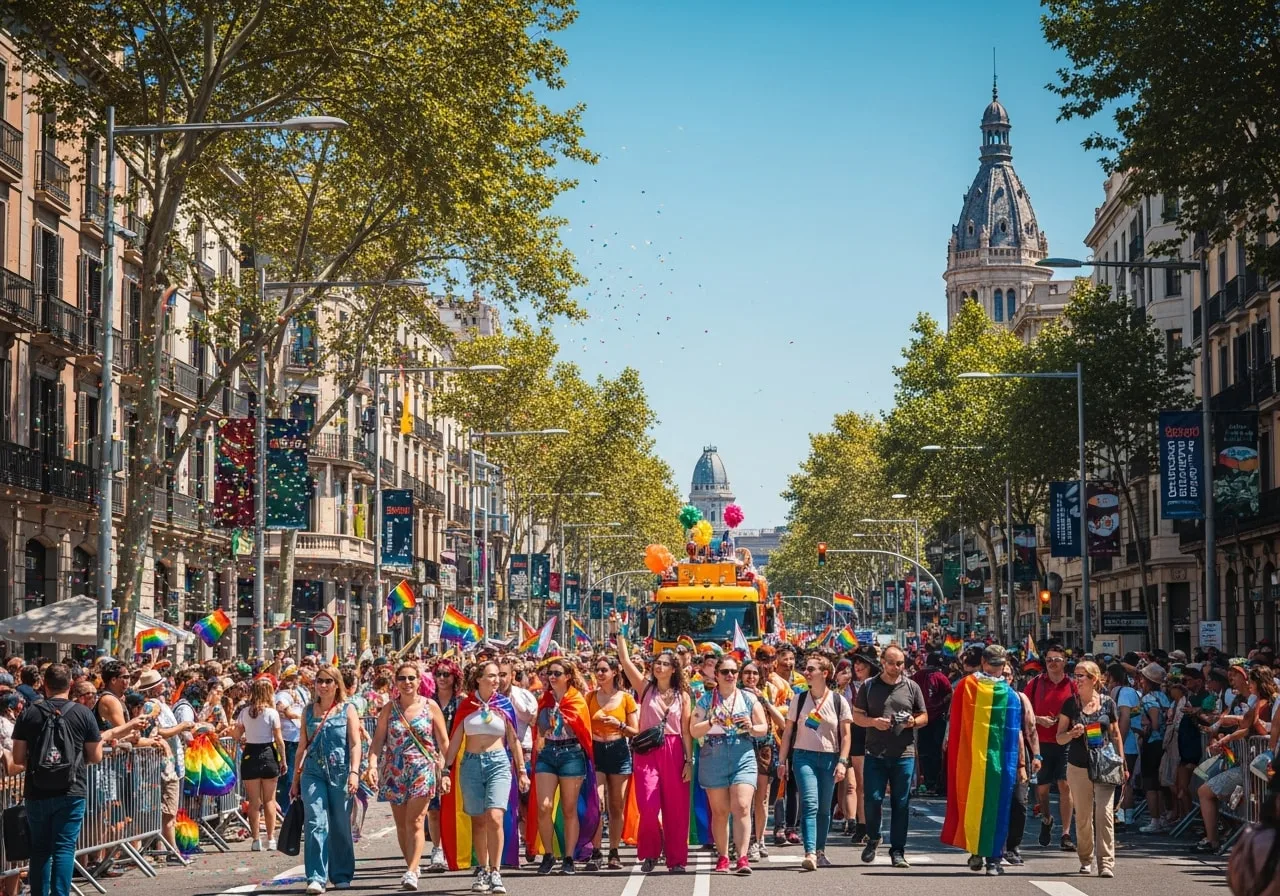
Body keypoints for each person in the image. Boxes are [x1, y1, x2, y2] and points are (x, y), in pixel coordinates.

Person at [12, 663, 103, 896]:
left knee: (40, 849)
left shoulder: (29, 712)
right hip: (72, 790)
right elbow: (95, 755)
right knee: (64, 848)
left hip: (37, 789)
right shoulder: (83, 713)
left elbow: (19, 757)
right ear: (71, 684)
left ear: (44, 684)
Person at [440, 661, 528, 894]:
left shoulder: (504, 704)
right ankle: (483, 868)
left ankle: (496, 871)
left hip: (498, 763)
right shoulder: (466, 705)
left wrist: (521, 771)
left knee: (495, 816)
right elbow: (456, 739)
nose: (496, 680)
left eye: (498, 675)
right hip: (470, 764)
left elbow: (514, 740)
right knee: (478, 820)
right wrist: (446, 770)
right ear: (478, 679)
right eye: (491, 675)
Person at [368, 662, 450, 890]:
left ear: (419, 681)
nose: (407, 683)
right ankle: (411, 866)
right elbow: (377, 743)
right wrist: (372, 766)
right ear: (396, 682)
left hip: (422, 769)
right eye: (402, 679)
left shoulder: (430, 706)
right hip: (395, 771)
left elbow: (444, 743)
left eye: (411, 678)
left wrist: (446, 771)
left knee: (415, 821)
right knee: (402, 824)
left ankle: (412, 871)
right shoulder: (389, 709)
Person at [943, 645, 1024, 876]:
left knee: (998, 807)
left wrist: (1019, 763)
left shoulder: (1009, 693)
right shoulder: (967, 686)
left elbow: (1013, 730)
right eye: (993, 664)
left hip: (1000, 761)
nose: (997, 669)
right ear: (984, 663)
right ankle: (977, 850)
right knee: (973, 804)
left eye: (1000, 665)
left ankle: (994, 858)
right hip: (972, 759)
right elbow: (957, 723)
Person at [618, 638, 692, 874]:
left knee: (676, 809)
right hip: (647, 752)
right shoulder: (645, 688)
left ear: (673, 669)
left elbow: (687, 731)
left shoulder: (684, 696)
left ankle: (676, 859)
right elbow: (625, 661)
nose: (658, 667)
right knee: (648, 808)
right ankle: (650, 852)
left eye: (664, 664)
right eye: (656, 663)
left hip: (675, 749)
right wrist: (619, 633)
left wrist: (689, 761)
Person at [690, 654, 768, 874]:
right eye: (725, 672)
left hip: (742, 754)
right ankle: (723, 856)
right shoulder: (706, 700)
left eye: (734, 672)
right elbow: (693, 730)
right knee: (720, 811)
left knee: (742, 806)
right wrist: (711, 721)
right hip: (713, 755)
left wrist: (751, 726)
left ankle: (742, 858)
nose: (731, 676)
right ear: (717, 675)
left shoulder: (748, 698)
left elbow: (763, 728)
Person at [852, 644, 927, 869]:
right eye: (893, 663)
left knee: (901, 803)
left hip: (904, 754)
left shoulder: (911, 686)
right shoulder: (869, 686)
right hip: (875, 753)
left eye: (901, 663)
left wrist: (913, 722)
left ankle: (898, 851)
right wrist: (874, 722)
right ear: (883, 662)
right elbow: (857, 716)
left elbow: (924, 716)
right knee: (873, 799)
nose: (897, 667)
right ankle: (874, 837)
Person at [290, 664, 363, 895]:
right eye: (319, 681)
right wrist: (294, 780)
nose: (322, 685)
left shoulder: (347, 709)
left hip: (340, 772)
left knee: (340, 823)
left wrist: (354, 771)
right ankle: (316, 877)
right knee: (315, 822)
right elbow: (302, 746)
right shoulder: (308, 711)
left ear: (337, 684)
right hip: (312, 772)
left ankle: (341, 874)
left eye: (328, 681)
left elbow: (354, 743)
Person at [776, 654, 850, 871]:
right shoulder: (798, 699)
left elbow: (846, 735)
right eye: (806, 669)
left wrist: (843, 762)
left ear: (825, 674)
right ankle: (809, 852)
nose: (806, 672)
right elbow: (788, 732)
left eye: (811, 669)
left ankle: (820, 850)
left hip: (829, 757)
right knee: (810, 803)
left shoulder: (838, 701)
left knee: (825, 808)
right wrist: (782, 761)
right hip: (803, 756)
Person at [1193, 666, 1275, 855]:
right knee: (1251, 805)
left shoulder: (1263, 703)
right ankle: (1228, 837)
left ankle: (1216, 840)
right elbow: (1246, 727)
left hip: (1256, 764)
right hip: (1252, 763)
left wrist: (1234, 722)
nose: (1249, 686)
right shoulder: (1256, 702)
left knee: (1206, 791)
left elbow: (1251, 727)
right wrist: (1226, 738)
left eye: (1251, 682)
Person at [528, 658, 598, 876]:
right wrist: (542, 717)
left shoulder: (576, 699)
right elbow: (540, 728)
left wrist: (561, 715)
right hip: (548, 753)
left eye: (557, 673)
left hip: (571, 754)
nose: (552, 677)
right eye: (550, 673)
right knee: (544, 807)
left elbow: (581, 728)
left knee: (569, 809)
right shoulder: (545, 699)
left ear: (568, 676)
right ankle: (548, 854)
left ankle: (569, 857)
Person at [1057, 659, 1126, 878]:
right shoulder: (1070, 704)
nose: (1075, 680)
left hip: (1104, 764)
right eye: (1075, 675)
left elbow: (1115, 734)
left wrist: (1122, 763)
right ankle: (1086, 859)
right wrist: (1071, 734)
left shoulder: (1107, 703)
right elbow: (1059, 738)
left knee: (1104, 813)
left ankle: (1106, 862)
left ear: (1094, 679)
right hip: (1078, 765)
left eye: (1080, 676)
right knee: (1084, 816)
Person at [585, 655, 637, 871]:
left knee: (616, 806)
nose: (599, 674)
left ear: (615, 672)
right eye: (597, 670)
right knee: (597, 804)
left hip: (619, 751)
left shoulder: (626, 698)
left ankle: (613, 852)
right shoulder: (589, 697)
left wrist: (619, 724)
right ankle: (596, 851)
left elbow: (636, 731)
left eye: (604, 670)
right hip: (596, 751)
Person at [1028, 642, 1077, 851]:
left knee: (1066, 785)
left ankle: (1066, 834)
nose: (1052, 664)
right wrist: (1038, 719)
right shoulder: (1035, 684)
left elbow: (1082, 709)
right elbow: (1025, 711)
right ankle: (1047, 819)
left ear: (1064, 662)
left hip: (1066, 742)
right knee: (1043, 789)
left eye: (1057, 660)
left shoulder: (1073, 685)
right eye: (1049, 660)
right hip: (1041, 744)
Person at [234, 677, 286, 851]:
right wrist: (283, 759)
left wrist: (241, 735)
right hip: (268, 754)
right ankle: (271, 839)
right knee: (270, 800)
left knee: (254, 802)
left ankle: (256, 839)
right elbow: (279, 740)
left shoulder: (244, 713)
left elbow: (236, 735)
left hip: (250, 754)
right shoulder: (272, 713)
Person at [740, 658, 784, 862]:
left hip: (764, 748)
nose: (751, 677)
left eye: (755, 673)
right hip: (742, 746)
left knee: (762, 798)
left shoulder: (769, 692)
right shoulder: (735, 694)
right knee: (742, 798)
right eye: (747, 673)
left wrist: (764, 701)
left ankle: (758, 840)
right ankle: (743, 840)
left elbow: (781, 722)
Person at [425, 658, 463, 872]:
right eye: (438, 674)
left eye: (446, 674)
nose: (441, 678)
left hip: (456, 757)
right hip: (431, 758)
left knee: (456, 805)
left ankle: (457, 848)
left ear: (454, 677)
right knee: (434, 808)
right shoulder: (427, 702)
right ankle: (437, 849)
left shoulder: (461, 702)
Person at [1135, 663, 1173, 833]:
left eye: (1143, 678)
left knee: (1150, 784)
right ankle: (1163, 817)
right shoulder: (1165, 697)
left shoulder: (1149, 699)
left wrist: (1145, 728)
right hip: (1165, 743)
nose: (1140, 681)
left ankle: (1155, 820)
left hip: (1152, 743)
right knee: (1161, 783)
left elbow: (1155, 723)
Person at [1106, 663, 1141, 831]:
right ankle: (1123, 815)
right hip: (1126, 743)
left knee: (1124, 780)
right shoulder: (1124, 692)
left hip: (1128, 744)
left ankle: (1125, 816)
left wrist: (1118, 741)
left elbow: (1125, 718)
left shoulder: (1125, 692)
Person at [911, 653, 952, 796]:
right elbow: (949, 694)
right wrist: (940, 705)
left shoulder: (917, 676)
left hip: (924, 719)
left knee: (925, 752)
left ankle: (929, 782)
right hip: (934, 720)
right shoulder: (940, 677)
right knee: (934, 752)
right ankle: (932, 782)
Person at [276, 667, 308, 813]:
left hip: (300, 737)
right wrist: (303, 718)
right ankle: (285, 808)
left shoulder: (301, 692)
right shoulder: (281, 695)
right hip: (288, 739)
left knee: (299, 773)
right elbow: (287, 712)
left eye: (295, 678)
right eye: (290, 678)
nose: (294, 681)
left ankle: (296, 807)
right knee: (288, 775)